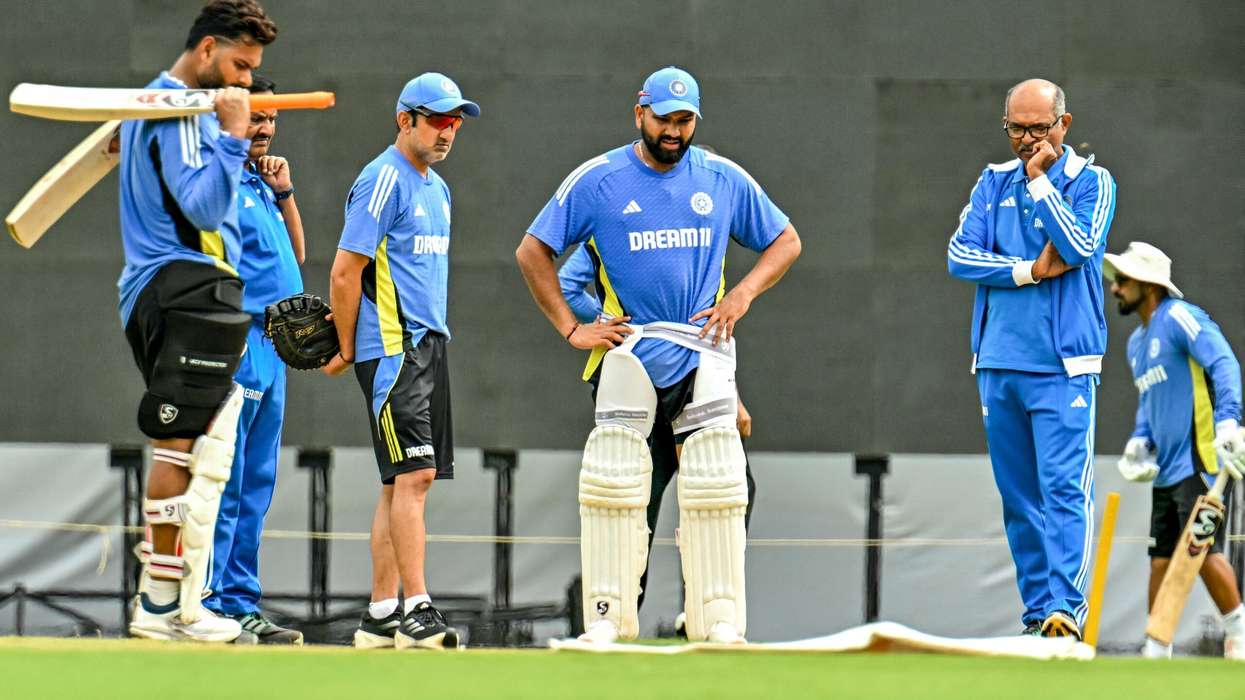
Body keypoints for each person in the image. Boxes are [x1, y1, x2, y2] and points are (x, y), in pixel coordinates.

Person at [517, 66, 801, 644]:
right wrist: (574, 330)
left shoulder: (721, 178)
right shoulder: (599, 180)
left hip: (703, 365)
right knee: (623, 493)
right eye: (665, 119)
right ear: (639, 113)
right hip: (632, 363)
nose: (675, 131)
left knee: (724, 490)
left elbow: (786, 240)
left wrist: (743, 294)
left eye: (685, 120)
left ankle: (712, 617)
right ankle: (610, 619)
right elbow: (532, 252)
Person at [122, 0, 277, 643]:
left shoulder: (147, 109)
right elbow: (207, 210)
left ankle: (176, 600)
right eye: (240, 66)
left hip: (154, 290)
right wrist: (235, 136)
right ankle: (163, 605)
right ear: (208, 49)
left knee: (194, 443)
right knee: (187, 446)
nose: (244, 81)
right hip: (188, 283)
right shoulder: (185, 108)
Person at [946, 78, 1116, 639]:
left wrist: (1043, 183)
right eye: (1015, 128)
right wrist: (1026, 270)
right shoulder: (991, 183)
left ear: (1064, 126)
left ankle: (1065, 610)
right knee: (1020, 500)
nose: (1024, 140)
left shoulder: (1092, 181)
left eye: (1037, 128)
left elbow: (1079, 247)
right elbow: (959, 256)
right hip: (997, 363)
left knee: (1065, 490)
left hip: (1064, 367)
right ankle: (1036, 616)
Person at [321, 72, 479, 650]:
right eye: (437, 119)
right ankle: (418, 609)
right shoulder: (382, 178)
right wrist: (345, 346)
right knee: (415, 475)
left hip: (428, 345)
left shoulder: (436, 189)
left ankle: (381, 612)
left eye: (455, 121)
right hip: (391, 347)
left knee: (401, 483)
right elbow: (346, 271)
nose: (447, 131)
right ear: (404, 119)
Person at [557, 239, 758, 628]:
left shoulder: (677, 228)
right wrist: (608, 327)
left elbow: (702, 328)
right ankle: (621, 614)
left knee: (717, 489)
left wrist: (731, 396)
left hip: (677, 382)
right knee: (639, 500)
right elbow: (567, 284)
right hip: (659, 387)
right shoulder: (632, 225)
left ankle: (693, 609)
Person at [202, 74, 304, 644]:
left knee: (257, 480)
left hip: (274, 343)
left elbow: (297, 256)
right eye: (255, 118)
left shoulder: (260, 182)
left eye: (269, 121)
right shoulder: (219, 178)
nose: (263, 130)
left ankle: (240, 603)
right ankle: (211, 602)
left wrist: (286, 193)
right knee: (227, 475)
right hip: (238, 339)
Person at [1106, 241, 1245, 660]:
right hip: (1167, 472)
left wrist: (1229, 420)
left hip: (1202, 462)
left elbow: (1223, 363)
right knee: (1162, 560)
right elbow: (1150, 403)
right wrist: (1139, 441)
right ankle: (1157, 647)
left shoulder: (1180, 318)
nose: (1115, 288)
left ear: (1149, 285)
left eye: (1124, 280)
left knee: (1199, 551)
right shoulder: (1135, 345)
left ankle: (1239, 630)